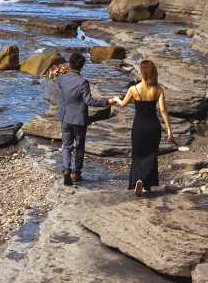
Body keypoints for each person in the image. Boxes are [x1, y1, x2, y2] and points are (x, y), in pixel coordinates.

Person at [113, 59, 173, 197]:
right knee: (151, 155)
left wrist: (116, 99)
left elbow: (123, 104)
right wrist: (169, 129)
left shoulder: (133, 89)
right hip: (153, 127)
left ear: (141, 72)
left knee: (137, 154)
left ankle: (138, 180)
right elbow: (163, 110)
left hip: (139, 127)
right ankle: (146, 185)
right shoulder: (158, 90)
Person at [56, 52, 117, 185]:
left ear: (69, 64)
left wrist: (64, 71)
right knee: (80, 146)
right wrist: (107, 102)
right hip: (78, 118)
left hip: (65, 116)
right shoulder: (83, 82)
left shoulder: (61, 78)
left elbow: (61, 86)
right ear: (82, 66)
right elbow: (89, 101)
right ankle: (76, 173)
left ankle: (66, 169)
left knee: (66, 145)